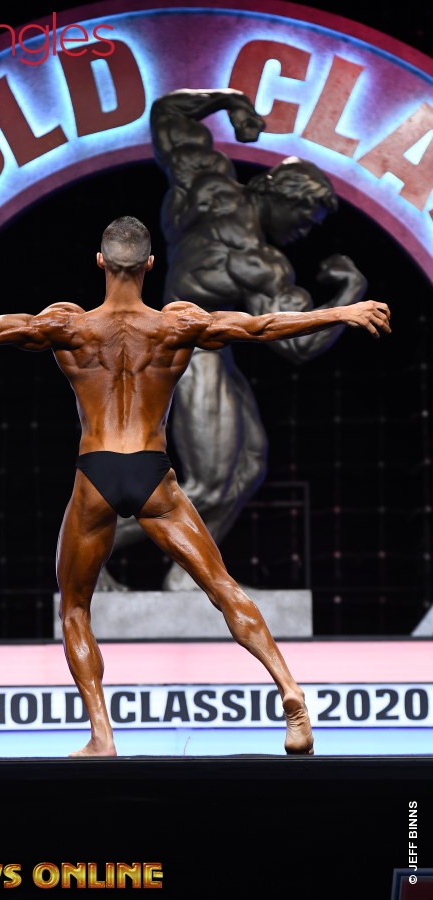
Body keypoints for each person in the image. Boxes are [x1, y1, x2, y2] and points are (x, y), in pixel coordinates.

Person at [0, 216, 391, 758]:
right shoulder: (177, 324)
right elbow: (259, 327)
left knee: (75, 608)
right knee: (223, 588)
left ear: (100, 262)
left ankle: (102, 735)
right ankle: (289, 690)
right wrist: (341, 312)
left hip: (97, 474)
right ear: (150, 265)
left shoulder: (70, 325)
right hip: (152, 472)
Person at [100, 89, 369, 592]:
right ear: (282, 197)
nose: (303, 232)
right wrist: (349, 296)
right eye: (303, 220)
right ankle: (89, 548)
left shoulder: (208, 184)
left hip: (201, 352)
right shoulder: (260, 263)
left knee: (247, 468)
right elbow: (296, 346)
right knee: (207, 484)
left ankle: (186, 582)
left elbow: (168, 113)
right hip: (187, 354)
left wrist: (233, 102)